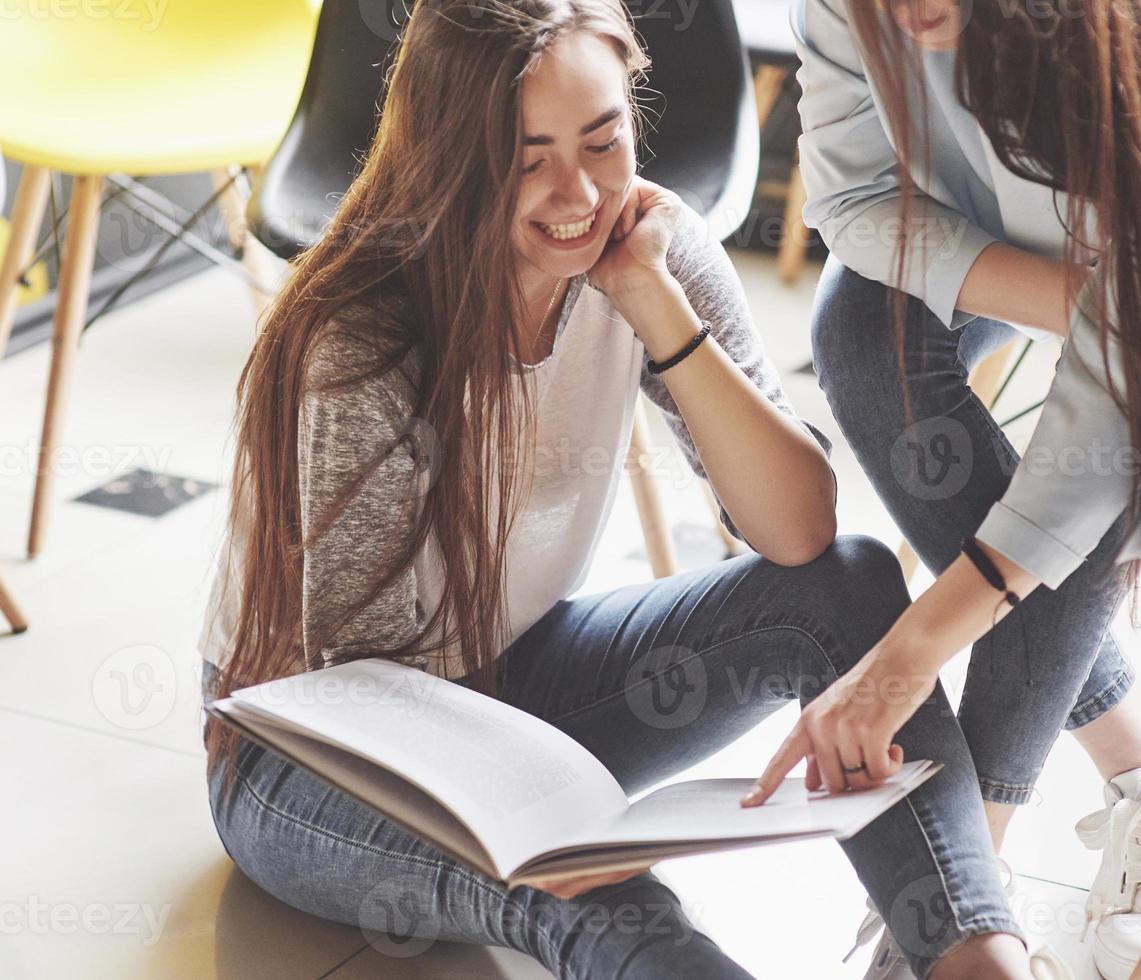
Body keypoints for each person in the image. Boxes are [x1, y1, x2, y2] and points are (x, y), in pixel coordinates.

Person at [196, 1, 1067, 976]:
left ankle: (974, 955)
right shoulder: (363, 332)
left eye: (602, 141)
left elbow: (797, 532)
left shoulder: (650, 240)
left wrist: (655, 305)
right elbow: (368, 692)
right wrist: (548, 821)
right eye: (526, 159)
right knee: (602, 890)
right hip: (321, 756)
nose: (578, 192)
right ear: (450, 153)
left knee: (848, 582)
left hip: (515, 672)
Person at [746, 0, 1141, 977]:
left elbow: (1115, 416)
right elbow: (852, 205)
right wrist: (1096, 309)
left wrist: (905, 656)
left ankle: (969, 880)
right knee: (855, 335)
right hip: (998, 238)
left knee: (1107, 456)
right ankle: (1138, 765)